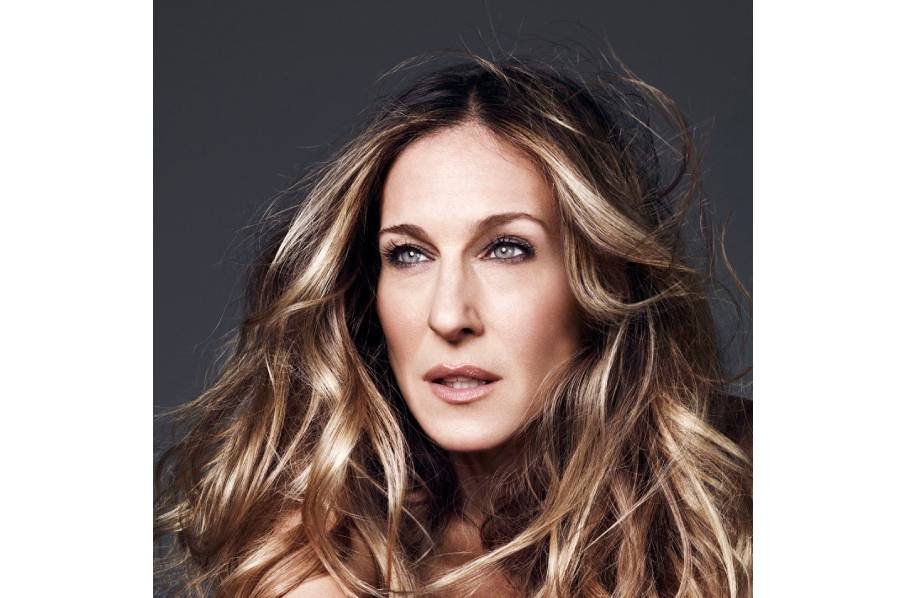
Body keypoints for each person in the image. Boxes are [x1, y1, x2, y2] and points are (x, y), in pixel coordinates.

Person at [155, 51, 753, 597]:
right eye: (409, 254)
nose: (448, 316)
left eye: (507, 249)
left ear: (603, 276)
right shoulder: (318, 542)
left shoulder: (738, 495)